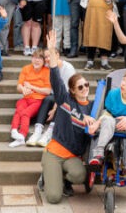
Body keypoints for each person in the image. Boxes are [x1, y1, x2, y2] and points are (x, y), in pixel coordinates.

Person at [40, 31, 96, 204]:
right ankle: (47, 176)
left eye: (86, 85)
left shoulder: (94, 107)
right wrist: (51, 52)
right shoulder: (65, 100)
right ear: (72, 90)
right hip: (54, 152)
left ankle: (62, 179)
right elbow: (56, 78)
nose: (84, 89)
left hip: (73, 156)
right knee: (54, 198)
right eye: (80, 87)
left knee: (80, 175)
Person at [88, 68, 126, 174]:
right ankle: (98, 154)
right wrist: (97, 123)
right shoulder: (113, 94)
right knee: (107, 119)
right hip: (113, 122)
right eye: (123, 80)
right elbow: (107, 112)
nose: (123, 84)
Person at [78, 0, 120, 70]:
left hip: (107, 13)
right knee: (90, 34)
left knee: (104, 35)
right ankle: (90, 61)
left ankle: (104, 62)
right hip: (91, 12)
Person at [9, 48, 52, 147]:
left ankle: (22, 135)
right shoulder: (26, 69)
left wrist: (32, 87)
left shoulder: (46, 71)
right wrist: (23, 89)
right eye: (34, 58)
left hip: (37, 100)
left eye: (40, 58)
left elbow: (47, 91)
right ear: (31, 59)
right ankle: (14, 131)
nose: (36, 60)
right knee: (18, 110)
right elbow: (19, 86)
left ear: (44, 61)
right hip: (26, 98)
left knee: (25, 113)